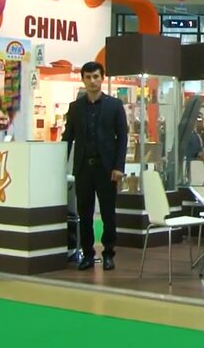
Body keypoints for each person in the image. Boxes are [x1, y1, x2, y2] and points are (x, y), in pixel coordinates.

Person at [62, 61, 128, 271]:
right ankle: (88, 255)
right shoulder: (75, 108)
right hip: (83, 168)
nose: (92, 81)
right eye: (88, 77)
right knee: (85, 214)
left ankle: (108, 253)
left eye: (96, 77)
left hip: (107, 169)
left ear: (102, 78)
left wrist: (119, 166)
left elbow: (122, 138)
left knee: (108, 213)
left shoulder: (115, 105)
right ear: (83, 79)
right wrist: (57, 164)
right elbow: (67, 138)